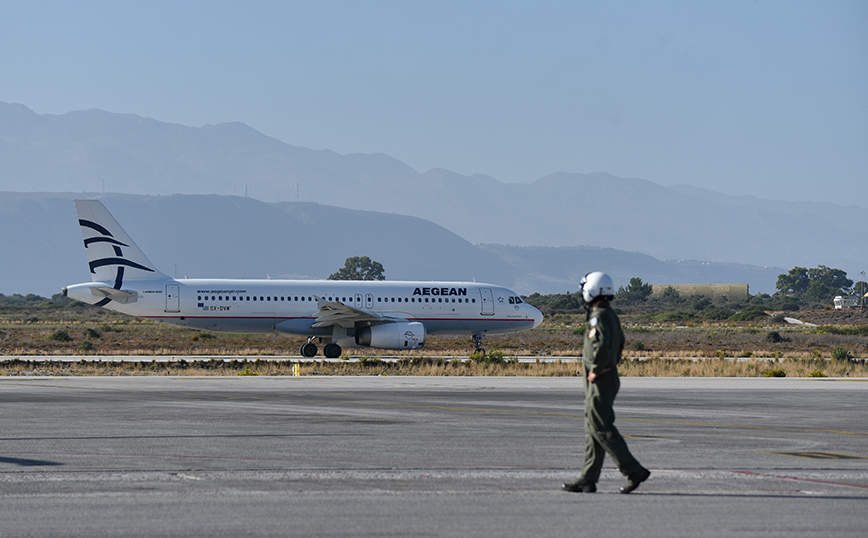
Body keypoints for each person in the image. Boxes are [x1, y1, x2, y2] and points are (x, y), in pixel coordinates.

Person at [563, 271, 650, 494]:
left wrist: (597, 369)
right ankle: (588, 478)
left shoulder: (598, 316)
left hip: (600, 378)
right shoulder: (609, 315)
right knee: (593, 429)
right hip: (607, 376)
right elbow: (620, 342)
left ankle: (633, 470)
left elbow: (600, 346)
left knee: (601, 428)